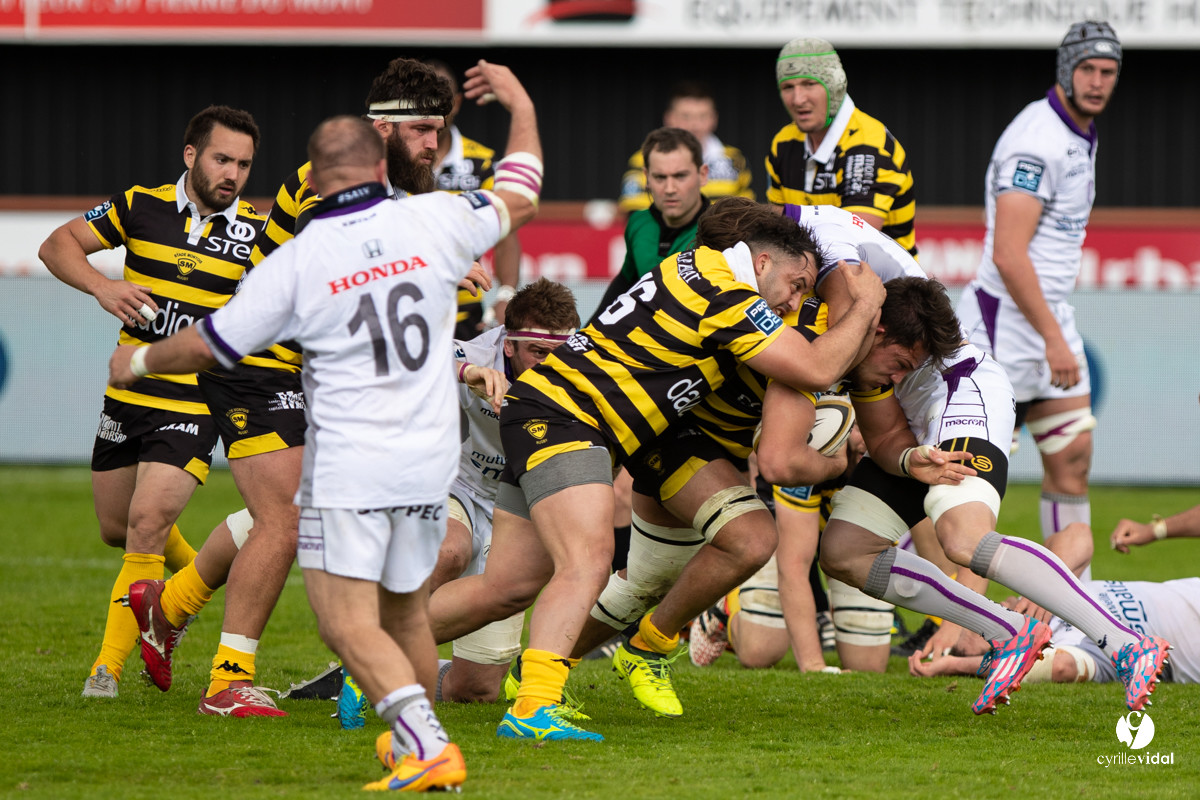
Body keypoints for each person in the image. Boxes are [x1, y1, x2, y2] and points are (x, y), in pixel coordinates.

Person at [107, 64, 543, 790]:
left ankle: (204, 641)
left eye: (442, 130)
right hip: (332, 404)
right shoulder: (425, 215)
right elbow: (517, 194)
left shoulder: (350, 237)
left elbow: (216, 336)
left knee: (333, 597)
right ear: (380, 145)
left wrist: (138, 361)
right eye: (422, 130)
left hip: (346, 430)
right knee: (304, 535)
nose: (434, 144)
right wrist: (520, 100)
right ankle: (223, 660)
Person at [464, 198, 889, 741]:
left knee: (514, 587)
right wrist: (864, 302)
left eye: (808, 287)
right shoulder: (734, 295)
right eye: (795, 283)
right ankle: (547, 698)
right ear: (761, 262)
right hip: (589, 419)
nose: (795, 298)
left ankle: (388, 666)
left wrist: (835, 233)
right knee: (597, 561)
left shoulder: (709, 272)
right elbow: (805, 395)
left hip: (616, 426)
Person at [815, 275, 1170, 715]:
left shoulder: (848, 271)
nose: (897, 372)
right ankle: (1009, 632)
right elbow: (886, 432)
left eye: (905, 363)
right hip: (913, 418)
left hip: (963, 392)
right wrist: (909, 460)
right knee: (844, 551)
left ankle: (1127, 644)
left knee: (964, 539)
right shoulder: (839, 318)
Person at [38, 105, 270, 700]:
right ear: (191, 156)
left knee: (147, 524)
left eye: (243, 164)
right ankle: (184, 592)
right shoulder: (140, 204)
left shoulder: (258, 236)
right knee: (116, 528)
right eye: (222, 159)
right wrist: (103, 285)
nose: (233, 174)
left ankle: (105, 672)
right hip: (129, 393)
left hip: (195, 400)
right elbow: (55, 245)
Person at [956, 22, 1122, 581]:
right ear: (1065, 72)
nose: (1098, 82)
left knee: (1072, 462)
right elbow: (1008, 254)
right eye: (1088, 70)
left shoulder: (1079, 129)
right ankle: (953, 621)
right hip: (1002, 329)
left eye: (1108, 72)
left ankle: (1069, 609)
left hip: (1050, 316)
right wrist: (1052, 337)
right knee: (970, 485)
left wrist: (1055, 329)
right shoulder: (1037, 140)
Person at [435, 278, 581, 704]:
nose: (549, 365)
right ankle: (371, 656)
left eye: (558, 353)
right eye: (538, 353)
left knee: (476, 690)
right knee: (448, 551)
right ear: (509, 343)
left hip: (519, 512)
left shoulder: (579, 366)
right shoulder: (480, 354)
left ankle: (379, 666)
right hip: (458, 487)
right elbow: (416, 359)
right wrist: (467, 373)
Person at [911, 523, 1194, 687]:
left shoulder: (1046, 594)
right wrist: (956, 665)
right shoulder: (1065, 645)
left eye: (989, 608)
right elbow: (1060, 668)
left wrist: (1044, 588)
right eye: (984, 629)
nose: (995, 606)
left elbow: (1079, 534)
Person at [766, 37, 917, 256]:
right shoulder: (782, 143)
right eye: (788, 87)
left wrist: (783, 216)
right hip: (811, 277)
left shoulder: (868, 143)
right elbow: (774, 232)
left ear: (835, 86)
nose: (797, 99)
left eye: (810, 84)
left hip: (890, 285)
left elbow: (853, 240)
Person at [426, 59, 523, 335]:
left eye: (441, 97)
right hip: (402, 305)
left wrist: (506, 294)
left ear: (456, 102)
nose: (433, 106)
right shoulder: (393, 159)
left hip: (464, 313)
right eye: (424, 98)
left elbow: (506, 231)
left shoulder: (482, 162)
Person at [595, 127, 710, 316]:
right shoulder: (638, 223)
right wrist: (585, 334)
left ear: (703, 175)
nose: (670, 188)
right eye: (660, 177)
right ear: (646, 177)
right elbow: (626, 282)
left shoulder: (723, 231)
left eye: (680, 176)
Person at [617, 81, 753, 215]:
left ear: (714, 118)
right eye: (686, 117)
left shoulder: (735, 159)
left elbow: (747, 212)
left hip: (723, 236)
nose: (695, 125)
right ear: (669, 118)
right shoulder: (643, 159)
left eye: (703, 116)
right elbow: (635, 213)